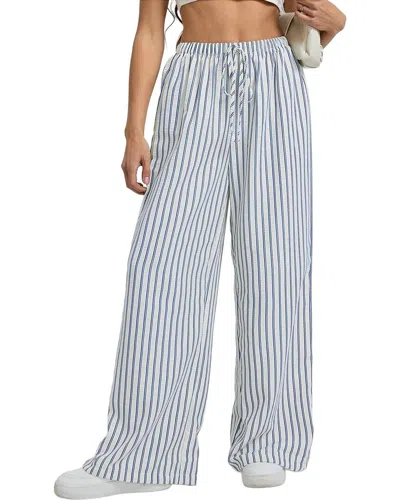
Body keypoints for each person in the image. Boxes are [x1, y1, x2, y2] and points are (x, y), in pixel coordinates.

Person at [54, 1, 346, 498]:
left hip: (273, 76)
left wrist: (336, 25)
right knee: (161, 270)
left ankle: (268, 440)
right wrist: (133, 131)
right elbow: (150, 31)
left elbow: (306, 17)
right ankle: (143, 453)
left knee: (276, 262)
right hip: (194, 80)